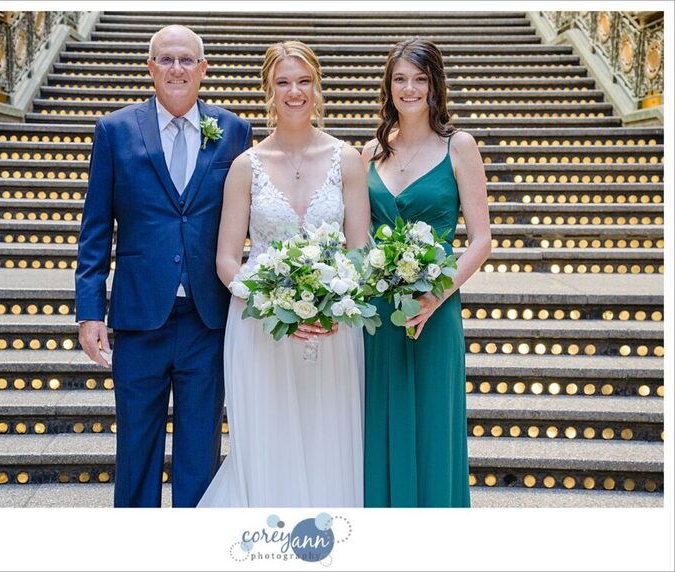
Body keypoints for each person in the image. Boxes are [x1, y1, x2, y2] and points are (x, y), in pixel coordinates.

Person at [75, 25, 252, 507]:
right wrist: (90, 311)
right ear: (150, 68)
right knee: (136, 449)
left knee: (201, 450)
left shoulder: (234, 131)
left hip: (207, 317)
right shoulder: (114, 131)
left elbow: (249, 219)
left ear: (203, 69)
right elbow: (95, 229)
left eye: (187, 60)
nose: (177, 68)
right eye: (167, 59)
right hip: (138, 317)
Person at [197, 40, 371, 507]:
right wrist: (272, 305)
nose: (294, 92)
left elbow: (360, 251)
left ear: (317, 88)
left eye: (303, 81)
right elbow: (227, 260)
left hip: (333, 327)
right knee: (268, 438)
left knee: (328, 436)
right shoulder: (245, 166)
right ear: (268, 92)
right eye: (283, 83)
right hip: (261, 328)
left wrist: (335, 301)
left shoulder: (347, 160)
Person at [361, 39, 491, 507]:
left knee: (435, 426)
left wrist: (435, 294)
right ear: (388, 86)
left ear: (435, 85)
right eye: (400, 79)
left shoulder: (459, 146)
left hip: (436, 310)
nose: (409, 88)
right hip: (378, 315)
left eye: (419, 78)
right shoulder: (369, 153)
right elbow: (358, 239)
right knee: (381, 423)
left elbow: (481, 240)